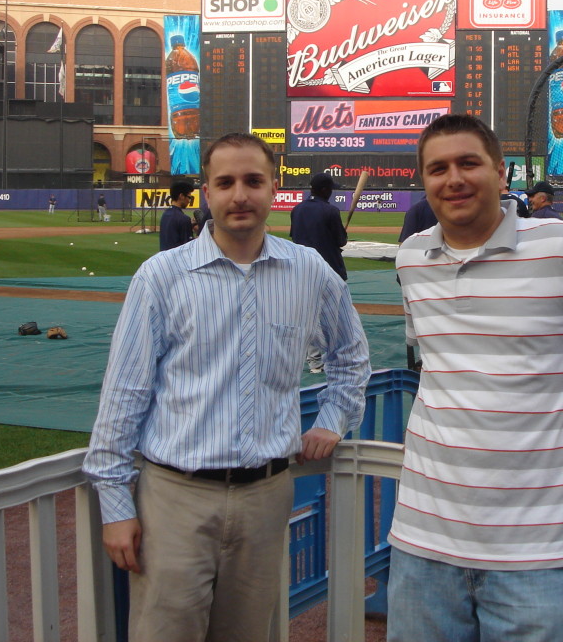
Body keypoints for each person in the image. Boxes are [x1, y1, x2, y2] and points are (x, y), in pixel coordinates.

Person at [83, 133, 371, 642]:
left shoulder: (308, 271)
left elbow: (351, 354)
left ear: (274, 187)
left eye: (253, 180)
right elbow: (124, 393)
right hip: (175, 498)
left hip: (266, 496)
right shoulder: (161, 276)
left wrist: (332, 419)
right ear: (207, 193)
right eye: (226, 182)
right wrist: (115, 504)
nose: (240, 194)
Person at [387, 114, 563, 642]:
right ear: (423, 180)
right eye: (438, 168)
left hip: (538, 547)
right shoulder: (412, 256)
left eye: (469, 163)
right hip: (422, 535)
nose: (454, 179)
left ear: (499, 170)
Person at [290, 172, 349, 372]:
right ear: (325, 190)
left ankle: (314, 362)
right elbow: (341, 241)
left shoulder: (297, 209)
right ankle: (335, 358)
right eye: (331, 188)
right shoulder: (330, 211)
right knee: (335, 316)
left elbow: (297, 237)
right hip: (329, 270)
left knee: (309, 316)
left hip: (302, 270)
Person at [159, 180, 195, 251]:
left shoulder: (165, 215)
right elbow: (188, 247)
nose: (189, 200)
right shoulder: (184, 219)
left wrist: (190, 225)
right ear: (181, 196)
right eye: (189, 197)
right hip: (178, 260)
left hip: (164, 259)